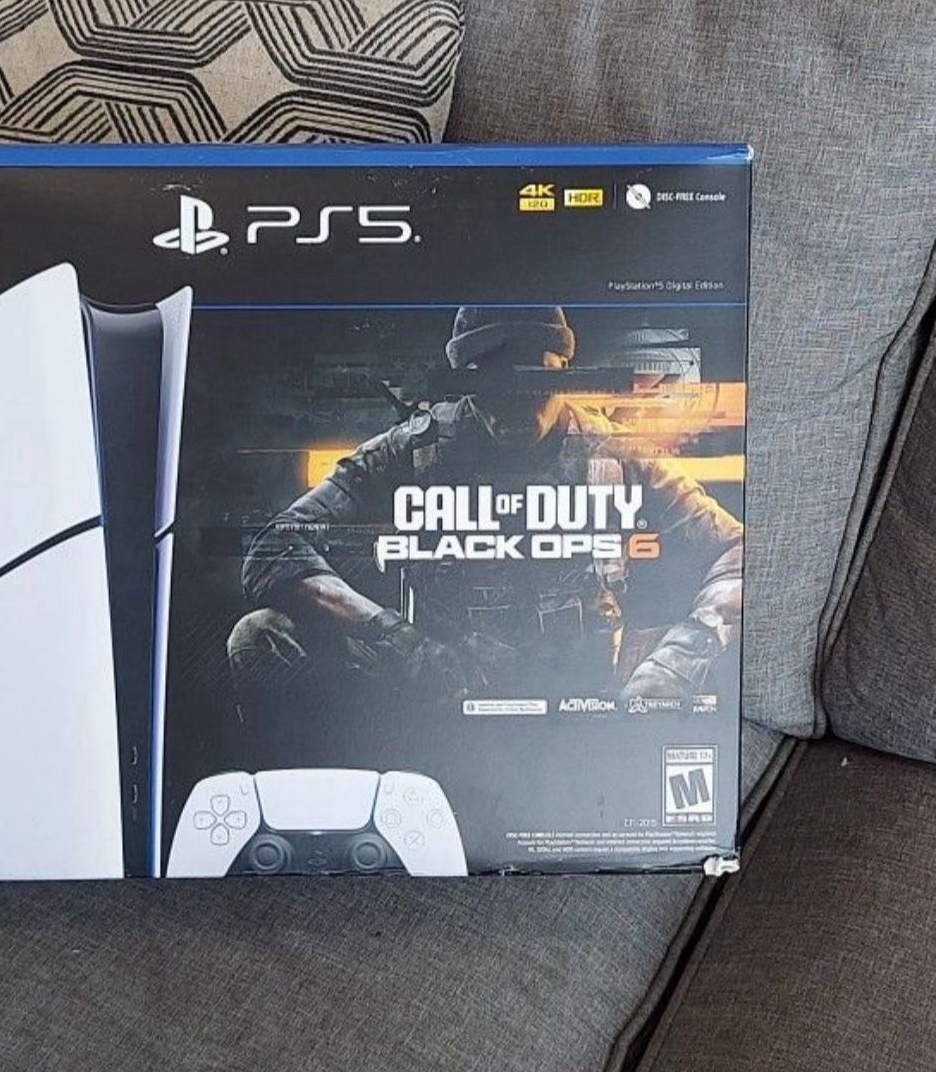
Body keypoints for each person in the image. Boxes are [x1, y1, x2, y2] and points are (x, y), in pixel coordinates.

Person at [228, 307, 742, 753]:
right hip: (441, 691)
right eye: (490, 384)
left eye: (531, 381)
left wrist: (675, 663)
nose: (512, 402)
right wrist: (394, 637)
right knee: (262, 636)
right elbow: (275, 544)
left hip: (587, 690)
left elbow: (738, 550)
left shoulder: (619, 454)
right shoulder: (411, 449)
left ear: (562, 371)